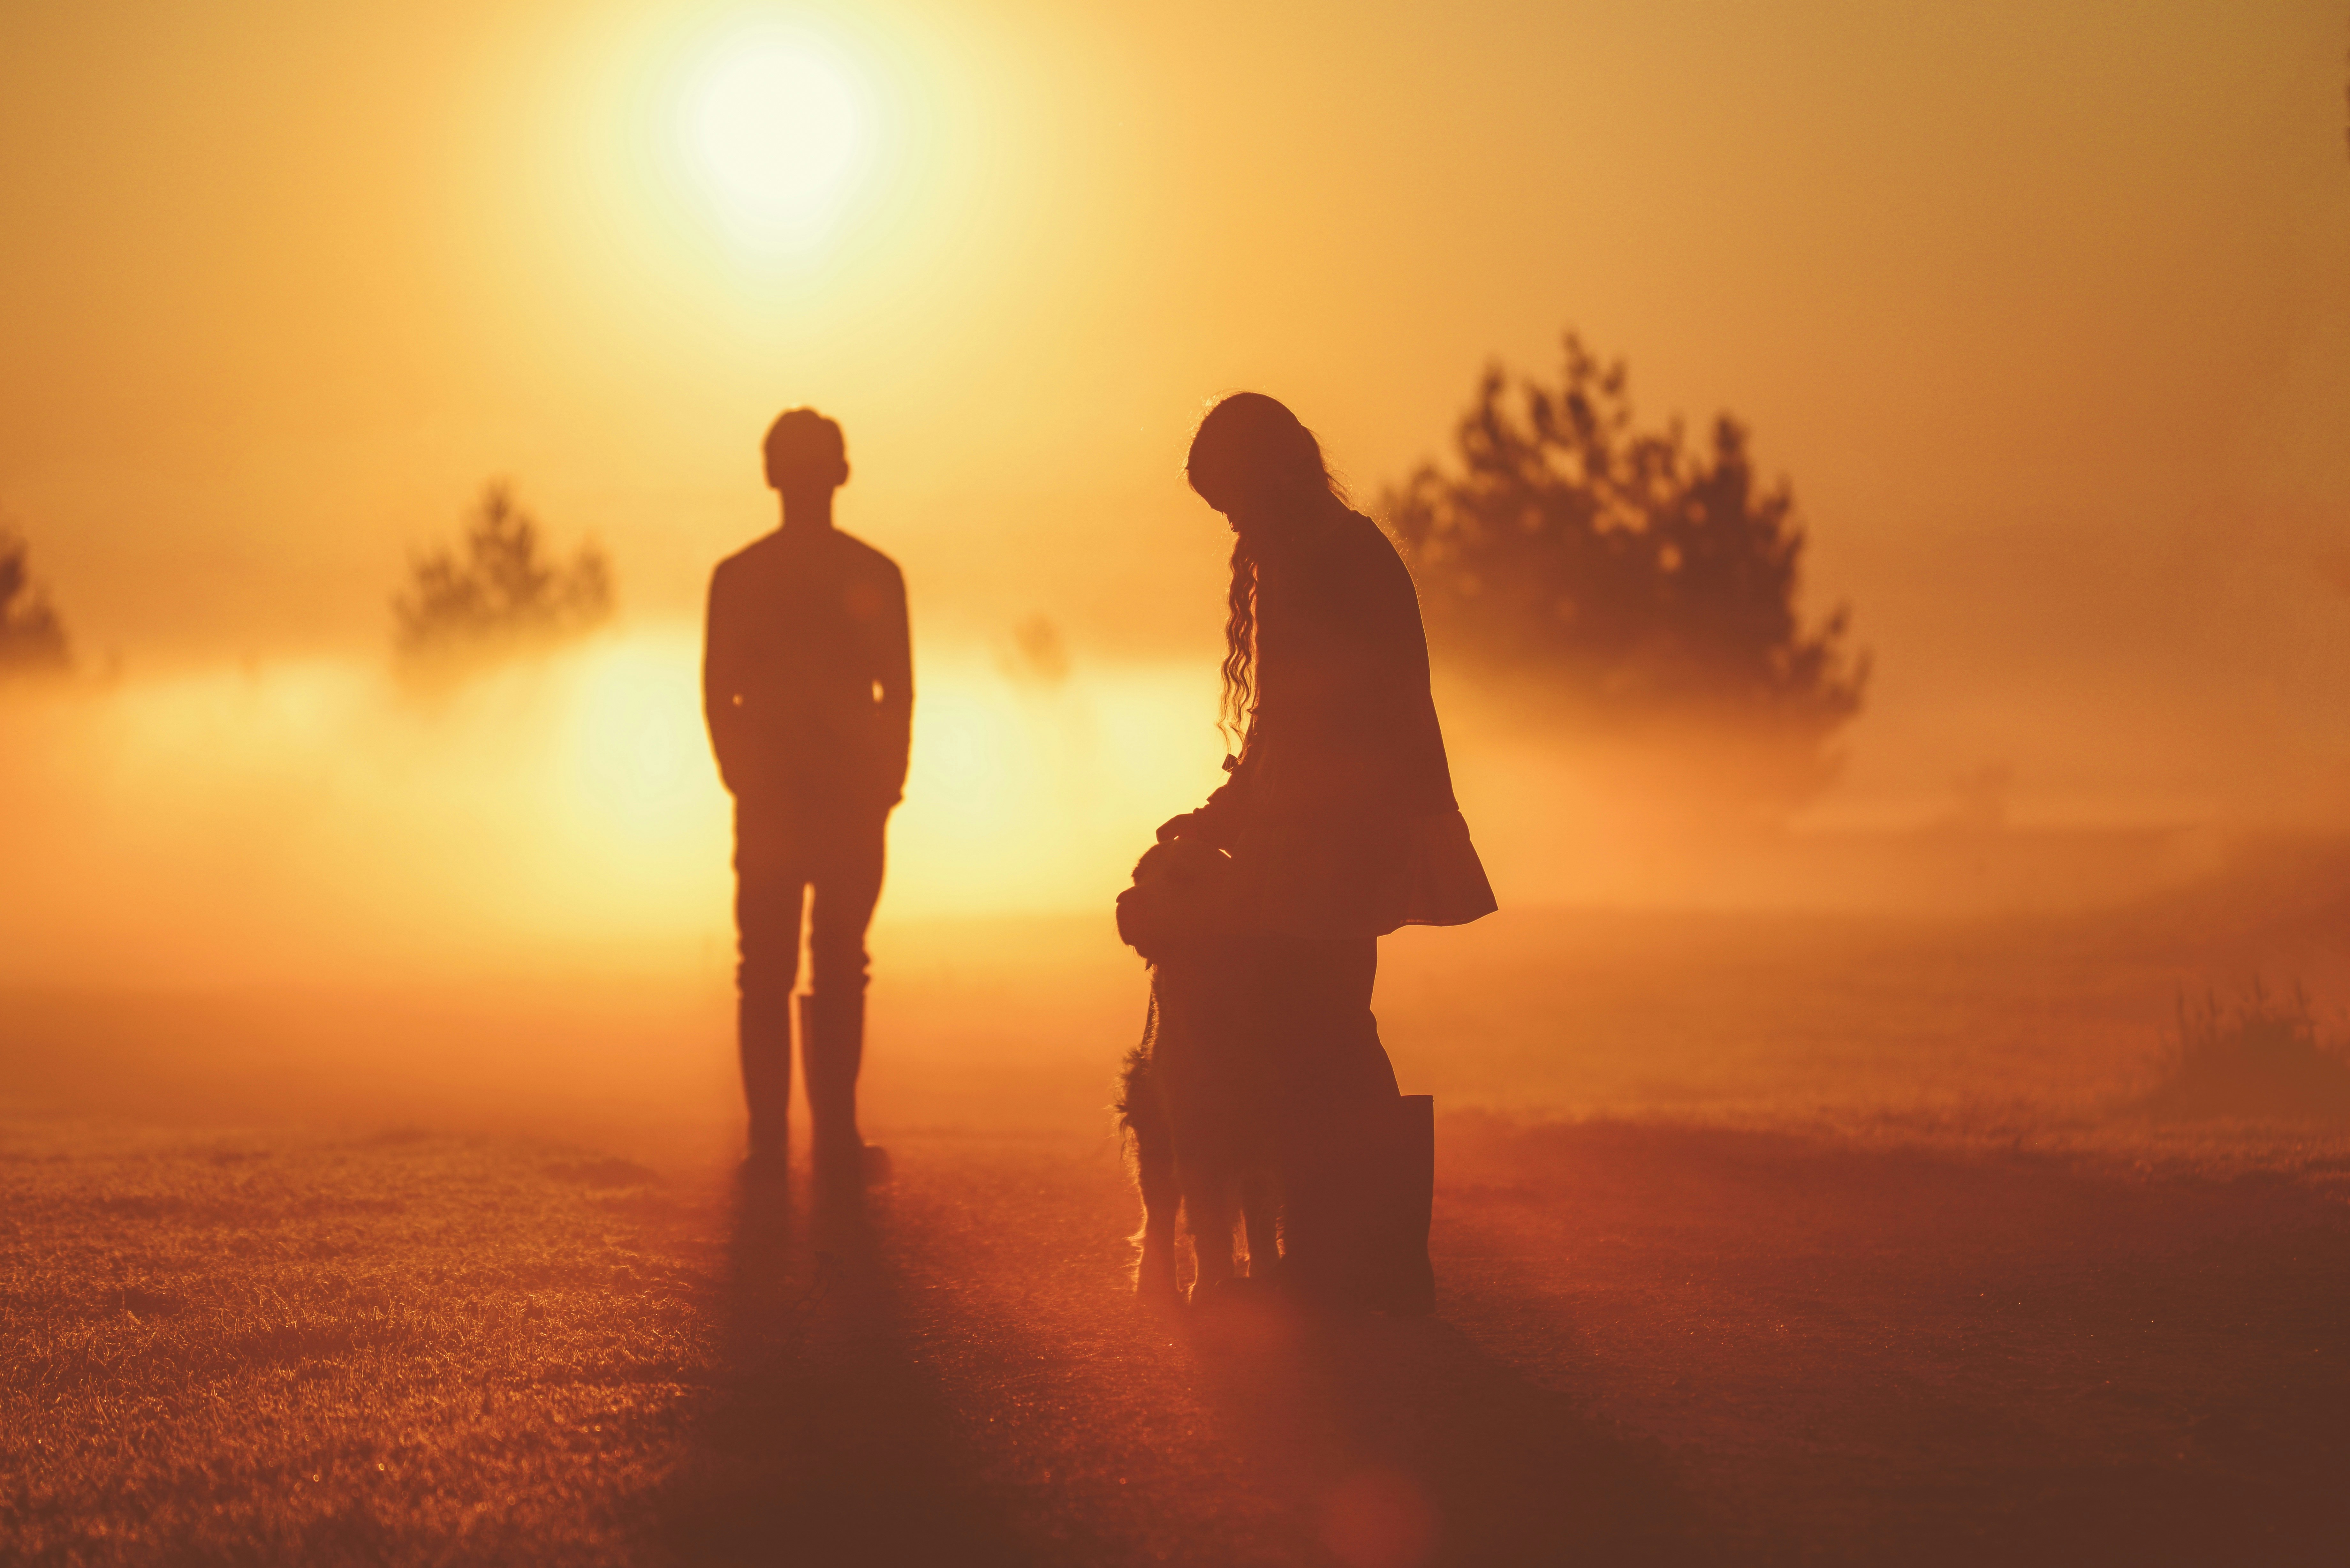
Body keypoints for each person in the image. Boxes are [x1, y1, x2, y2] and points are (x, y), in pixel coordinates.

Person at [1157, 392, 1496, 1308]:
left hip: (1334, 847)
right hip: (1318, 843)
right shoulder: (1321, 557)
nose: (1234, 524)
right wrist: (1226, 815)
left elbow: (1345, 718)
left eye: (1233, 502)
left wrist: (1260, 819)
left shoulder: (1337, 562)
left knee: (1325, 1036)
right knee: (1323, 1038)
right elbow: (1284, 726)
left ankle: (1362, 1261)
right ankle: (1348, 1260)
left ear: (1265, 478)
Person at [704, 408, 911, 1186]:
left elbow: (718, 694)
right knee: (825, 963)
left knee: (774, 965)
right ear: (843, 471)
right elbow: (898, 693)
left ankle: (787, 1142)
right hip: (816, 795)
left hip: (807, 795)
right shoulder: (869, 571)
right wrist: (882, 778)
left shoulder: (744, 575)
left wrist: (746, 773)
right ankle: (818, 1139)